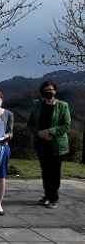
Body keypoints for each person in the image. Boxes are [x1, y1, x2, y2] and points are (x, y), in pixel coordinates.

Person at [27, 81, 71, 209]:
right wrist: (39, 133)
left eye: (51, 89)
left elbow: (66, 125)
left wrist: (50, 132)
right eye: (46, 90)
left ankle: (54, 198)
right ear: (42, 92)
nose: (49, 92)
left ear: (55, 91)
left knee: (55, 172)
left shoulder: (63, 106)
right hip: (41, 143)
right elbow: (30, 123)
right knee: (45, 171)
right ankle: (46, 196)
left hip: (56, 144)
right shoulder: (37, 105)